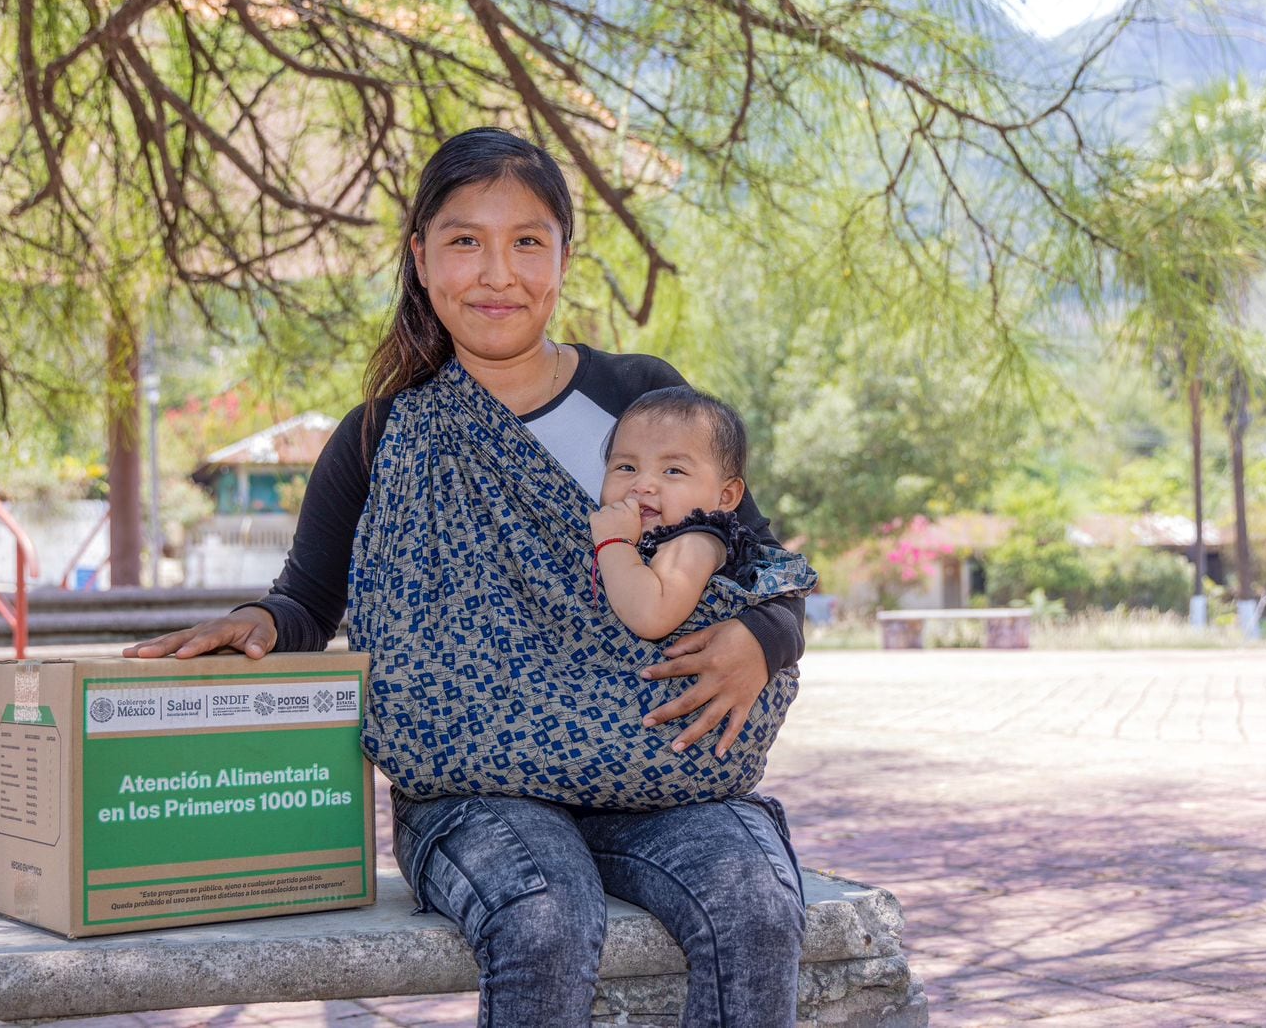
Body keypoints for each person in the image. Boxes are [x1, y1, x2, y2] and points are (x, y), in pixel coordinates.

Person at [124, 127, 806, 1027]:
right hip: (475, 790)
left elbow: (764, 568)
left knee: (755, 903)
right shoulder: (381, 435)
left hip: (659, 770)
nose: (497, 273)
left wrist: (764, 639)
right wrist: (261, 620)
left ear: (566, 253)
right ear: (420, 257)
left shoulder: (640, 400)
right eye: (464, 241)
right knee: (546, 917)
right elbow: (309, 600)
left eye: (527, 240)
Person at [591, 386, 795, 646]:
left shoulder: (697, 543)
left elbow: (650, 616)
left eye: (673, 471)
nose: (642, 484)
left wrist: (614, 542)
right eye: (626, 467)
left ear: (726, 497)